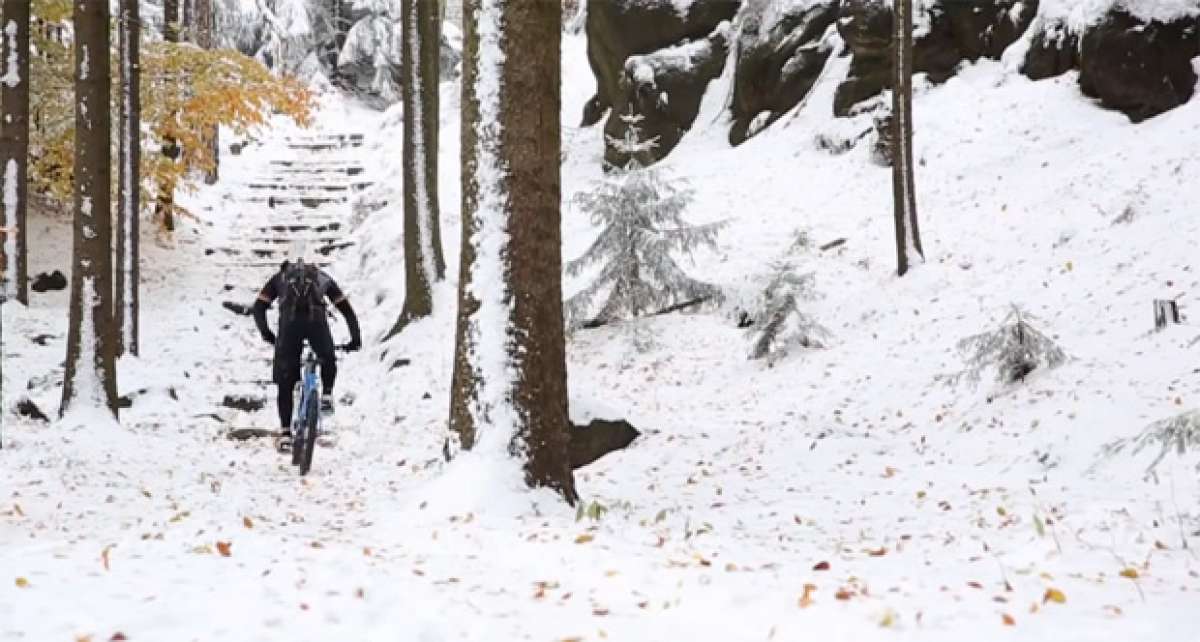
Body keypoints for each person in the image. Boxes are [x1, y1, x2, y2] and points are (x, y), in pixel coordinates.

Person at [252, 251, 362, 451]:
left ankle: (286, 433)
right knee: (327, 356)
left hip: (289, 328)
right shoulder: (321, 277)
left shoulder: (280, 278)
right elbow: (346, 310)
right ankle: (327, 394)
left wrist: (267, 334)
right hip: (317, 325)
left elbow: (259, 307)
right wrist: (355, 340)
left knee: (285, 382)